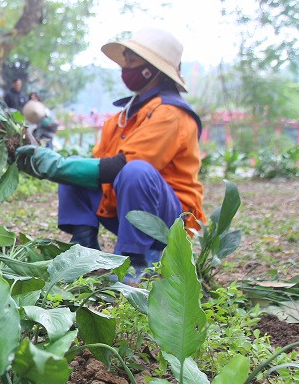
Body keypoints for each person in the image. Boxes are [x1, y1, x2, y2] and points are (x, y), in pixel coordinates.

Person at [15, 27, 205, 283]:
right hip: (127, 211)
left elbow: (122, 166)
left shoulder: (171, 114)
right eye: (125, 60)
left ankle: (137, 263)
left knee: (134, 170)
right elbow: (98, 166)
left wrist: (56, 166)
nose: (125, 67)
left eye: (132, 60)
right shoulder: (121, 118)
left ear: (153, 69)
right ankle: (85, 252)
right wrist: (54, 164)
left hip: (169, 223)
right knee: (76, 172)